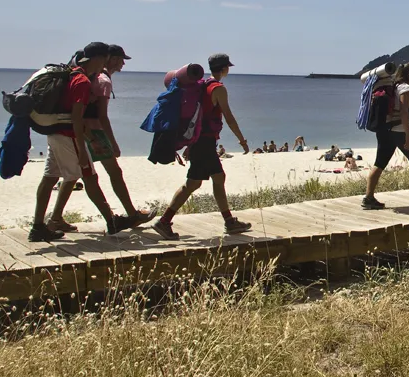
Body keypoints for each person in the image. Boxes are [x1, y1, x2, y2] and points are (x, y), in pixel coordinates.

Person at [29, 42, 130, 241]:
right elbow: (76, 117)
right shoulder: (82, 81)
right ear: (99, 59)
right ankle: (111, 221)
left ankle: (38, 226)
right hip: (69, 135)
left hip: (54, 132)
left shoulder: (71, 74)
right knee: (90, 177)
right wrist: (84, 148)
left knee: (50, 178)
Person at [48, 44, 151, 233]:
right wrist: (112, 142)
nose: (122, 64)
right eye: (120, 59)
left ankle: (55, 217)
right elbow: (102, 116)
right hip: (92, 132)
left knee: (73, 177)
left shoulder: (94, 76)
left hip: (75, 130)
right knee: (112, 173)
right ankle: (130, 214)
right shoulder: (103, 81)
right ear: (109, 58)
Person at [152, 53, 252, 239]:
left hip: (200, 140)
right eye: (228, 67)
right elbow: (228, 117)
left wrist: (190, 144)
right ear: (224, 69)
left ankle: (229, 221)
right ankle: (164, 221)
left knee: (215, 178)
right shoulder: (218, 89)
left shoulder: (202, 85)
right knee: (193, 183)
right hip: (205, 141)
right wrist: (242, 140)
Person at [362, 63, 409, 209]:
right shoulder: (406, 89)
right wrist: (408, 136)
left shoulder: (393, 86)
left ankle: (368, 197)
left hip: (384, 130)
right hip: (399, 130)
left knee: (380, 162)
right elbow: (404, 112)